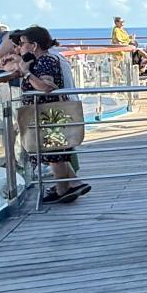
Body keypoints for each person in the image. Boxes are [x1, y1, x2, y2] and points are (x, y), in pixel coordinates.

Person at [12, 26, 90, 205]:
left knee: (54, 154)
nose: (20, 47)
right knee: (54, 153)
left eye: (22, 43)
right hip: (45, 114)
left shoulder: (46, 61)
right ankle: (69, 185)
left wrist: (27, 74)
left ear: (34, 45)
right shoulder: (41, 60)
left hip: (48, 114)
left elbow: (46, 86)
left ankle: (63, 190)